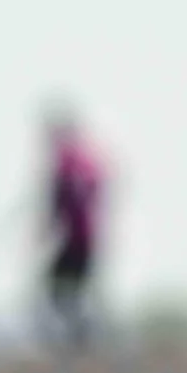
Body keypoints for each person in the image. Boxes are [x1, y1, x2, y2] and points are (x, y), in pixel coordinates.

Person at [40, 106, 106, 347]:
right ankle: (82, 333)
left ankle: (84, 333)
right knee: (69, 287)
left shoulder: (68, 162)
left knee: (60, 286)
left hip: (78, 237)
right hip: (86, 235)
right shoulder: (87, 161)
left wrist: (50, 224)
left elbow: (60, 197)